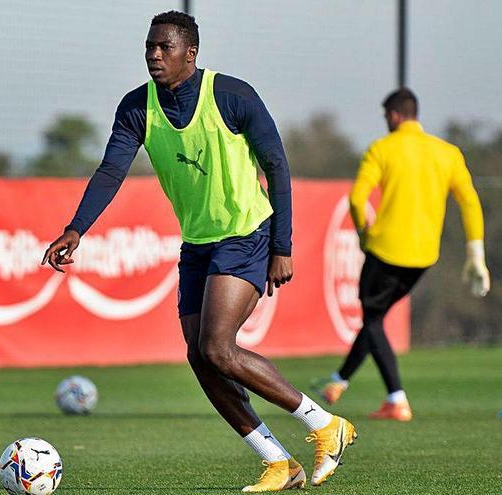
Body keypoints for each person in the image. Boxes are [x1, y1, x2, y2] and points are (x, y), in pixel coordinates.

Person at [41, 11, 356, 491]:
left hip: (246, 234)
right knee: (199, 356)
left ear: (191, 53)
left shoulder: (232, 96)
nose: (153, 56)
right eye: (149, 47)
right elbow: (110, 172)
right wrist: (75, 229)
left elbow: (277, 165)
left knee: (217, 347)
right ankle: (277, 462)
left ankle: (324, 424)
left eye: (164, 47)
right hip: (198, 243)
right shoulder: (135, 107)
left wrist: (282, 246)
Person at [318, 88, 490, 421]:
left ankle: (396, 399)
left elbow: (356, 199)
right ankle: (339, 381)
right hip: (424, 257)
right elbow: (469, 201)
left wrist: (364, 235)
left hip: (385, 251)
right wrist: (475, 254)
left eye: (386, 117)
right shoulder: (447, 152)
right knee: (376, 320)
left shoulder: (382, 149)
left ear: (394, 116)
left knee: (371, 318)